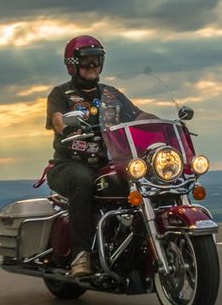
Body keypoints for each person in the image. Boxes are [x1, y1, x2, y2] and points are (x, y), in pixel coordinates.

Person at [45, 35, 157, 279]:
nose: (93, 65)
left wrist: (158, 122)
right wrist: (67, 127)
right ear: (72, 63)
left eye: (97, 60)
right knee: (82, 180)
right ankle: (81, 255)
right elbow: (57, 119)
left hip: (108, 163)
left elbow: (136, 115)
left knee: (145, 176)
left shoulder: (111, 94)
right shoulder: (60, 94)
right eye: (87, 60)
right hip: (68, 165)